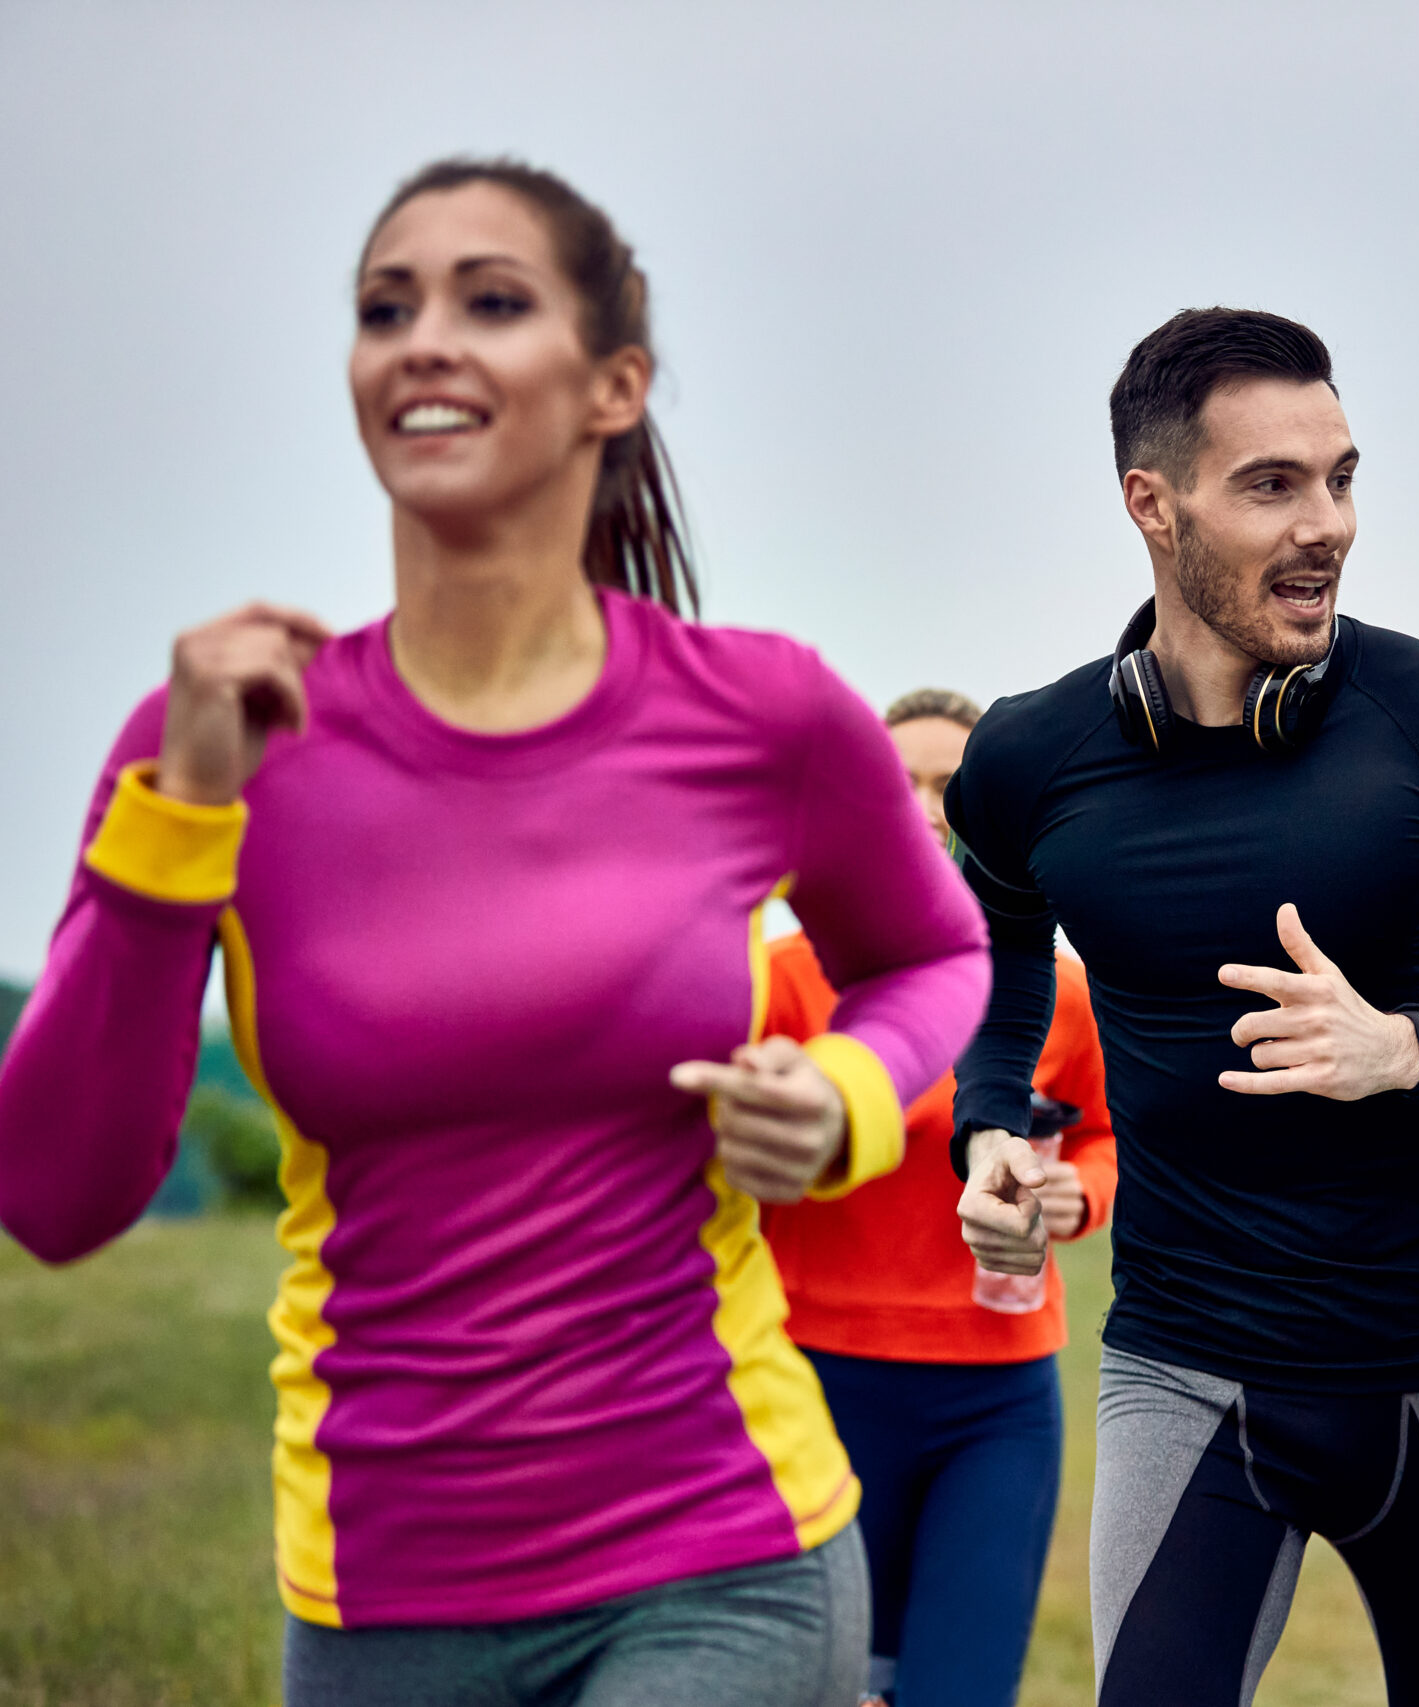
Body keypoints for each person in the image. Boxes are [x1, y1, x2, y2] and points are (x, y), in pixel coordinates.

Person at [0, 158, 990, 1706]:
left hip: (721, 1552)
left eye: (492, 300)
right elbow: (55, 1195)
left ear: (612, 384)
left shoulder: (762, 711)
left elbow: (935, 955)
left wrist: (849, 1098)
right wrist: (175, 817)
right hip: (376, 1588)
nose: (424, 340)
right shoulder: (218, 740)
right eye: (385, 307)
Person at [943, 308, 1419, 1707]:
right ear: (1151, 504)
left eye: (1341, 477)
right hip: (1187, 1365)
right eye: (1273, 485)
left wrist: (1408, 1045)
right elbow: (995, 973)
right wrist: (991, 1130)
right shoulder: (1029, 757)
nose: (1328, 524)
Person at [759, 686, 1116, 1707]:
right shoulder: (782, 980)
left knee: (959, 1690)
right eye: (897, 782)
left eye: (948, 789)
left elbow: (1106, 1143)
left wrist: (1073, 1197)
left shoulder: (1061, 995)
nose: (922, 808)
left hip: (997, 1403)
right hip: (815, 1383)